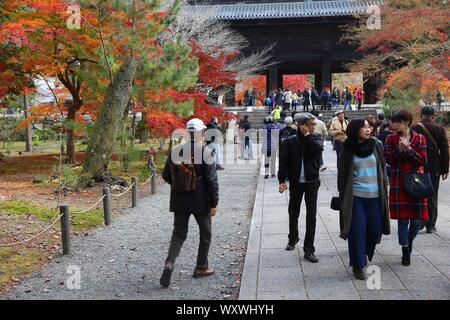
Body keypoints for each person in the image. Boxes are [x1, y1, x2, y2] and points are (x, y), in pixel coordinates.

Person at [160, 118, 219, 287]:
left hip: (179, 199)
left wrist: (181, 185)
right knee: (205, 233)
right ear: (201, 132)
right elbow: (211, 181)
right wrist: (214, 203)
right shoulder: (206, 152)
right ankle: (201, 267)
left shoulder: (175, 151)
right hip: (200, 200)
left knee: (178, 233)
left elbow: (165, 175)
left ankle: (169, 263)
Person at [337, 119, 390, 280]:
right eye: (364, 127)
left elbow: (383, 166)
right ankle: (358, 265)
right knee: (356, 231)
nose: (368, 130)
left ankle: (365, 253)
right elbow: (342, 173)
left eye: (369, 127)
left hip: (376, 196)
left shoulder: (376, 145)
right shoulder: (347, 148)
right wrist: (342, 193)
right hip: (356, 197)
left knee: (374, 230)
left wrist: (385, 184)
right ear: (355, 130)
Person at [385, 109, 428, 266]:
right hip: (399, 181)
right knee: (402, 220)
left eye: (397, 122)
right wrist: (399, 150)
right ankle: (405, 250)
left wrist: (409, 150)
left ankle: (409, 241)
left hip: (416, 182)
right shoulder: (391, 138)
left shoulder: (420, 138)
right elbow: (389, 160)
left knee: (417, 221)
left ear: (406, 122)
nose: (394, 125)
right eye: (393, 122)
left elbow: (422, 161)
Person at [278, 113, 323, 263]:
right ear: (301, 126)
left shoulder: (315, 138)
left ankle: (309, 249)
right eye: (310, 125)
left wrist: (307, 136)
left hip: (312, 182)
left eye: (313, 125)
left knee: (311, 216)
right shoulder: (290, 141)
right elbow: (283, 161)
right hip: (296, 182)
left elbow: (317, 151)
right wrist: (281, 179)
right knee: (293, 211)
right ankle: (293, 238)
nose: (313, 127)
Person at [412, 106, 449, 233]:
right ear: (433, 116)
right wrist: (445, 169)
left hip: (418, 166)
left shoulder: (415, 128)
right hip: (435, 167)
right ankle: (431, 225)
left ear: (421, 115)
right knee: (432, 195)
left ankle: (420, 221)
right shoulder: (439, 128)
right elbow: (444, 150)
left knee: (419, 194)